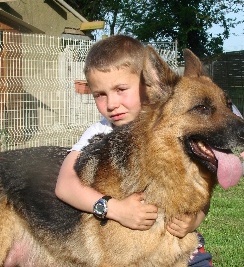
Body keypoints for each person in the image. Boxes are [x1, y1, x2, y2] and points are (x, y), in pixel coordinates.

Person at [55, 35, 214, 266]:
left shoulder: (170, 127)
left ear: (149, 84)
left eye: (121, 89)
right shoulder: (98, 132)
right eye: (100, 94)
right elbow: (65, 184)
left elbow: (200, 185)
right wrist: (113, 208)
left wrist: (195, 219)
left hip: (176, 243)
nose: (111, 104)